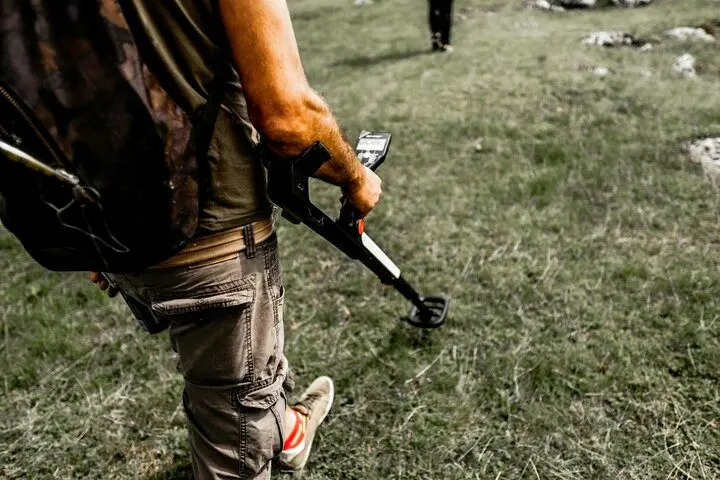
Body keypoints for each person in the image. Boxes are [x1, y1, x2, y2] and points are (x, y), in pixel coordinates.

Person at [88, 0, 383, 478]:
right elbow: (288, 118)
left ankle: (287, 432)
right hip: (209, 228)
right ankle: (259, 427)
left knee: (238, 365)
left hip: (101, 224)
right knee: (230, 437)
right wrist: (356, 178)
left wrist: (81, 230)